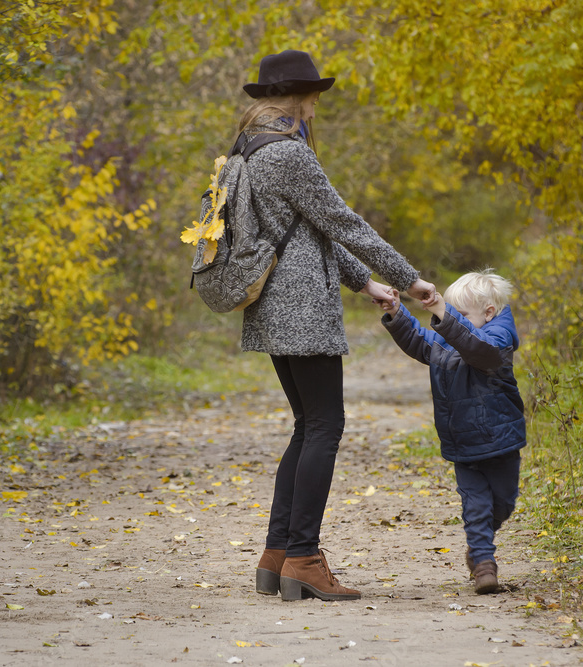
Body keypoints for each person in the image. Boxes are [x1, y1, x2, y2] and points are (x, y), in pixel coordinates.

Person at [238, 49, 436, 602]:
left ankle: (278, 553)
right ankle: (304, 557)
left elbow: (305, 232)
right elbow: (343, 222)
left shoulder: (249, 149)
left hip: (272, 305)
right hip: (300, 308)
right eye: (315, 97)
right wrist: (408, 277)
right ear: (301, 97)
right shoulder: (290, 154)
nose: (317, 107)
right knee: (325, 424)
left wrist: (365, 283)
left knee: (307, 425)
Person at [378, 270, 526, 594]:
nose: (449, 322)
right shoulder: (447, 339)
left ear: (488, 313)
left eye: (458, 315)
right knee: (475, 506)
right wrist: (396, 313)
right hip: (464, 442)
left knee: (504, 503)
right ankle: (484, 564)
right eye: (450, 314)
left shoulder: (498, 339)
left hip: (500, 442)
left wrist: (445, 314)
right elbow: (420, 340)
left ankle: (479, 545)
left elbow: (477, 347)